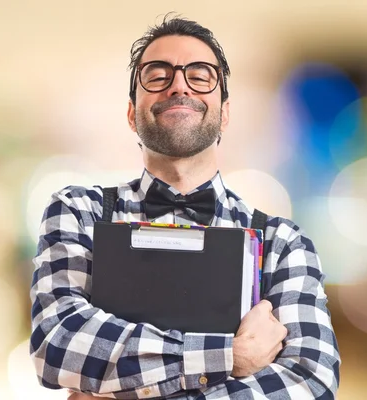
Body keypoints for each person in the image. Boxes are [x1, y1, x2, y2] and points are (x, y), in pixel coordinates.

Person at [30, 15, 340, 399]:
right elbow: (58, 344)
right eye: (158, 76)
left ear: (224, 113)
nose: (179, 84)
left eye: (200, 75)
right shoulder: (79, 211)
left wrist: (127, 384)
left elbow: (310, 382)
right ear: (132, 114)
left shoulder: (282, 244)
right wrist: (230, 356)